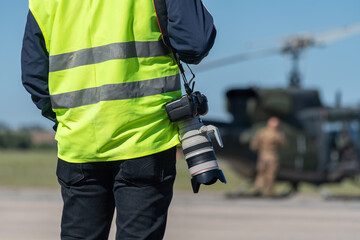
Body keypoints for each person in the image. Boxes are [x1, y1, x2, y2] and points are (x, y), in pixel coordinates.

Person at [21, 0, 216, 239]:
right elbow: (195, 43)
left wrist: (68, 119)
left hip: (79, 142)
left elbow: (34, 75)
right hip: (146, 139)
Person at [250, 117, 286, 197]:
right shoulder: (278, 134)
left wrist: (259, 150)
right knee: (270, 174)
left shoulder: (262, 132)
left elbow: (254, 145)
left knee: (260, 174)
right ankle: (269, 192)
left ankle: (258, 189)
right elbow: (283, 143)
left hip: (262, 155)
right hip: (273, 156)